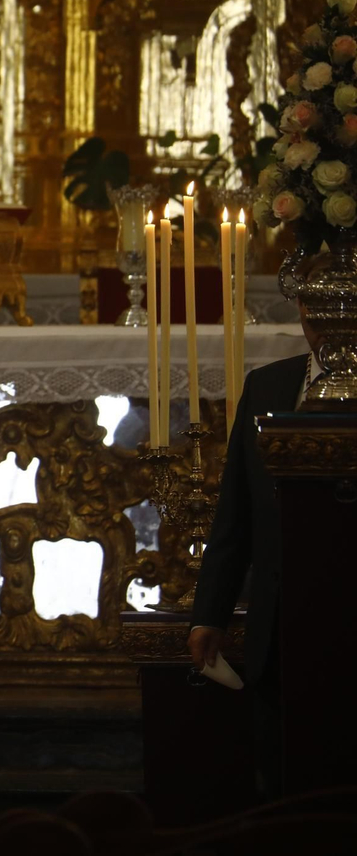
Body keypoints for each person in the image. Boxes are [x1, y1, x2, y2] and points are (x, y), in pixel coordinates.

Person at [188, 306, 316, 798]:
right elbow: (235, 512)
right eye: (312, 310)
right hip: (279, 627)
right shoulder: (268, 385)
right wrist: (208, 614)